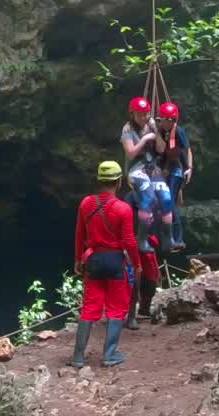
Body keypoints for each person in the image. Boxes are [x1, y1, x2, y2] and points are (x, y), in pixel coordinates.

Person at [71, 161, 141, 368]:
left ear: (99, 180)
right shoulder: (123, 208)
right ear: (119, 182)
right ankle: (109, 355)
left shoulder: (86, 204)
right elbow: (129, 240)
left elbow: (79, 235)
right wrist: (136, 263)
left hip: (93, 260)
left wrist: (77, 259)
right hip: (115, 262)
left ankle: (78, 357)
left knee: (90, 307)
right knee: (116, 307)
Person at [120, 96, 174, 252]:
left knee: (166, 197)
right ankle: (142, 240)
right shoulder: (127, 130)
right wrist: (144, 139)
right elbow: (130, 154)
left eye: (146, 113)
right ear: (133, 114)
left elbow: (161, 150)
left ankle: (167, 238)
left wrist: (157, 134)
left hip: (152, 168)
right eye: (140, 114)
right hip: (135, 170)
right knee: (148, 196)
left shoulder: (151, 123)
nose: (144, 117)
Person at [155, 101, 193, 251]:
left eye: (164, 119)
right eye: (161, 119)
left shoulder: (179, 132)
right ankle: (168, 238)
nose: (162, 122)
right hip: (166, 169)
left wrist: (189, 167)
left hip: (176, 170)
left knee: (169, 202)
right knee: (162, 202)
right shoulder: (163, 130)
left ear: (172, 120)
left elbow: (188, 150)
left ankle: (177, 239)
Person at [122, 189, 162, 330]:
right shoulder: (131, 196)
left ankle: (143, 309)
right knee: (134, 280)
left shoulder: (150, 196)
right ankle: (130, 316)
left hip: (146, 243)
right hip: (131, 241)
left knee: (150, 280)